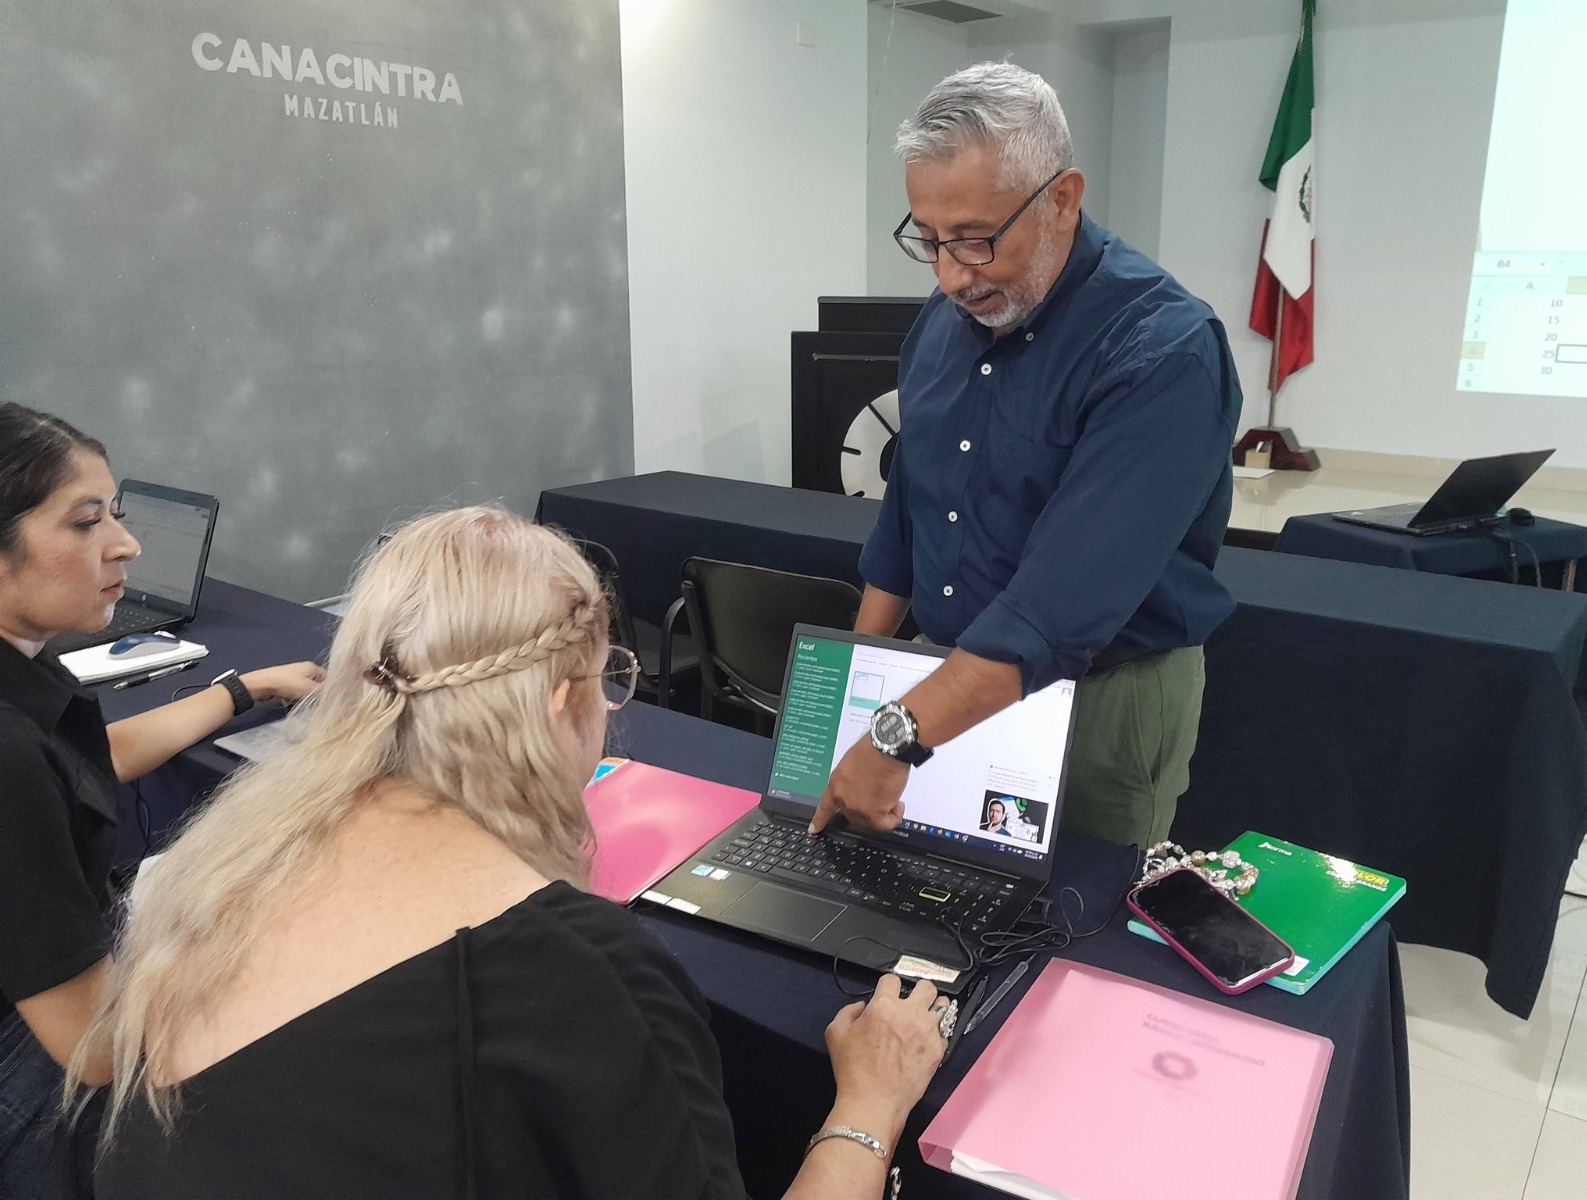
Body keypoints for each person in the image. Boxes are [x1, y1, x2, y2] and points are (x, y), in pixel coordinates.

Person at [76, 506, 947, 1200]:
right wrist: (871, 1104)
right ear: (563, 702)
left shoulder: (218, 872)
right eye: (609, 680)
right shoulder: (583, 979)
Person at [812, 63, 1243, 852]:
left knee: (1079, 911)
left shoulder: (1163, 351)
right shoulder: (943, 322)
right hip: (942, 688)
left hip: (1103, 696)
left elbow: (1055, 609)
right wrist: (855, 688)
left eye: (975, 240)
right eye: (928, 240)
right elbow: (907, 519)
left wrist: (892, 736)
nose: (951, 275)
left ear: (1062, 199)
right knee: (937, 895)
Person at [0, 402, 323, 1196]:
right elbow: (94, 1049)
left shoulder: (23, 675)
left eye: (114, 514)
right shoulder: (7, 759)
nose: (125, 544)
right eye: (85, 523)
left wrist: (243, 690)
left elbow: (88, 759)